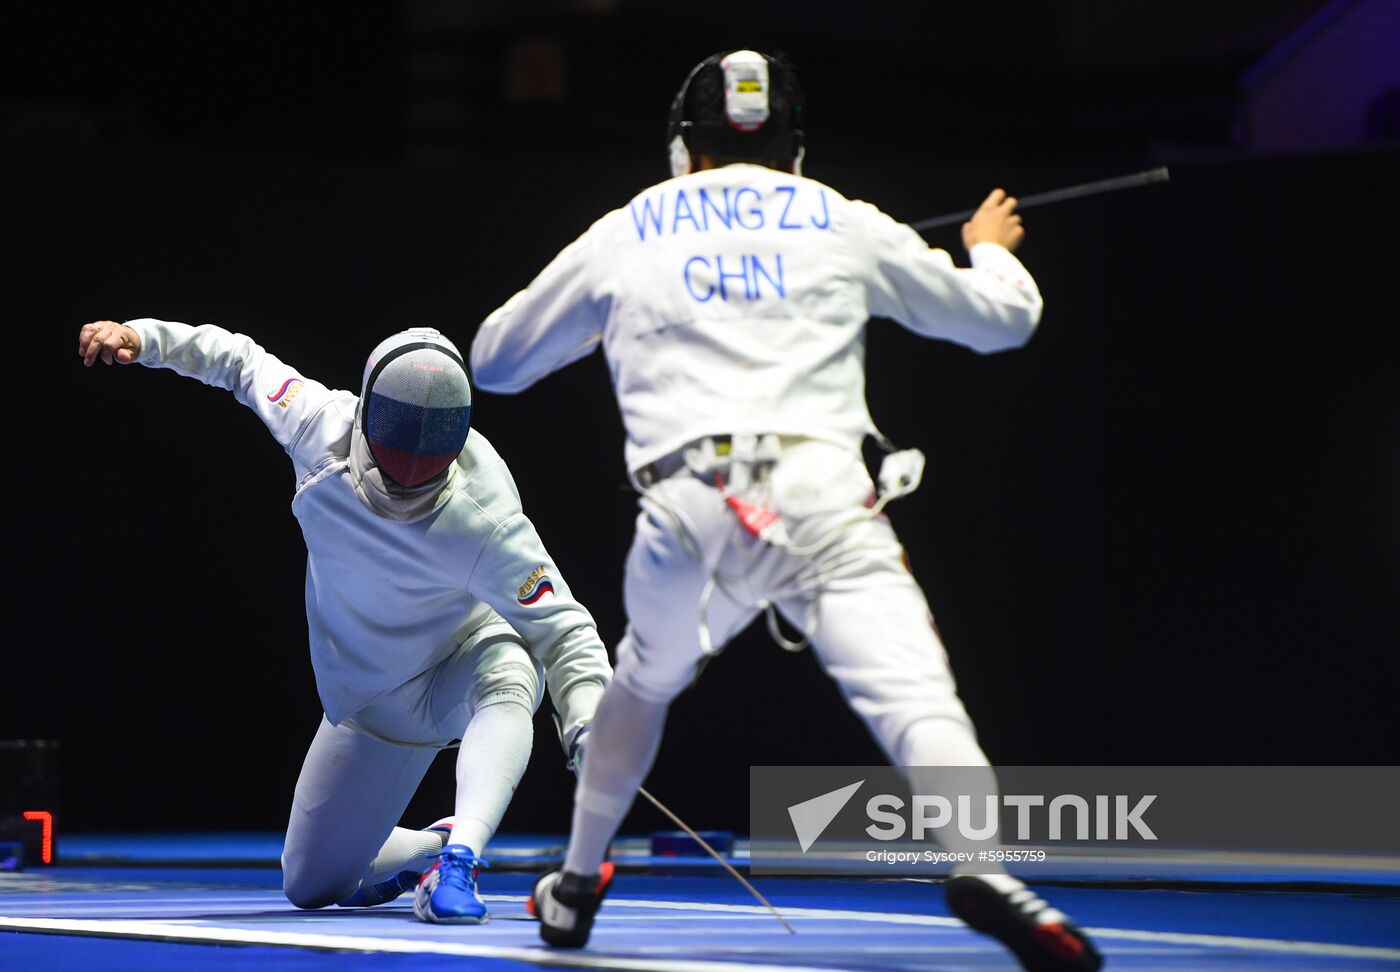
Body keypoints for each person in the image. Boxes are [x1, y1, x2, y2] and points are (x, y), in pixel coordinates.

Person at [469, 50, 1101, 971]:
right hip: (821, 503)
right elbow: (998, 322)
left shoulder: (630, 228)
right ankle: (984, 870)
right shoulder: (841, 219)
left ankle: (572, 885)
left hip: (688, 509)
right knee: (914, 693)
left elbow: (495, 359)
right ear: (794, 148)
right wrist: (990, 251)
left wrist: (611, 310)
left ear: (685, 147)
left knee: (644, 678)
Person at [76, 318, 612, 924]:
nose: (409, 467)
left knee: (512, 671)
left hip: (463, 661)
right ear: (365, 415)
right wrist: (145, 339)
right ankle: (434, 847)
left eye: (429, 451)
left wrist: (591, 726)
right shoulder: (315, 423)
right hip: (370, 695)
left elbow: (565, 631)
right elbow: (238, 360)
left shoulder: (486, 512)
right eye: (396, 441)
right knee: (311, 883)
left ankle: (461, 861)